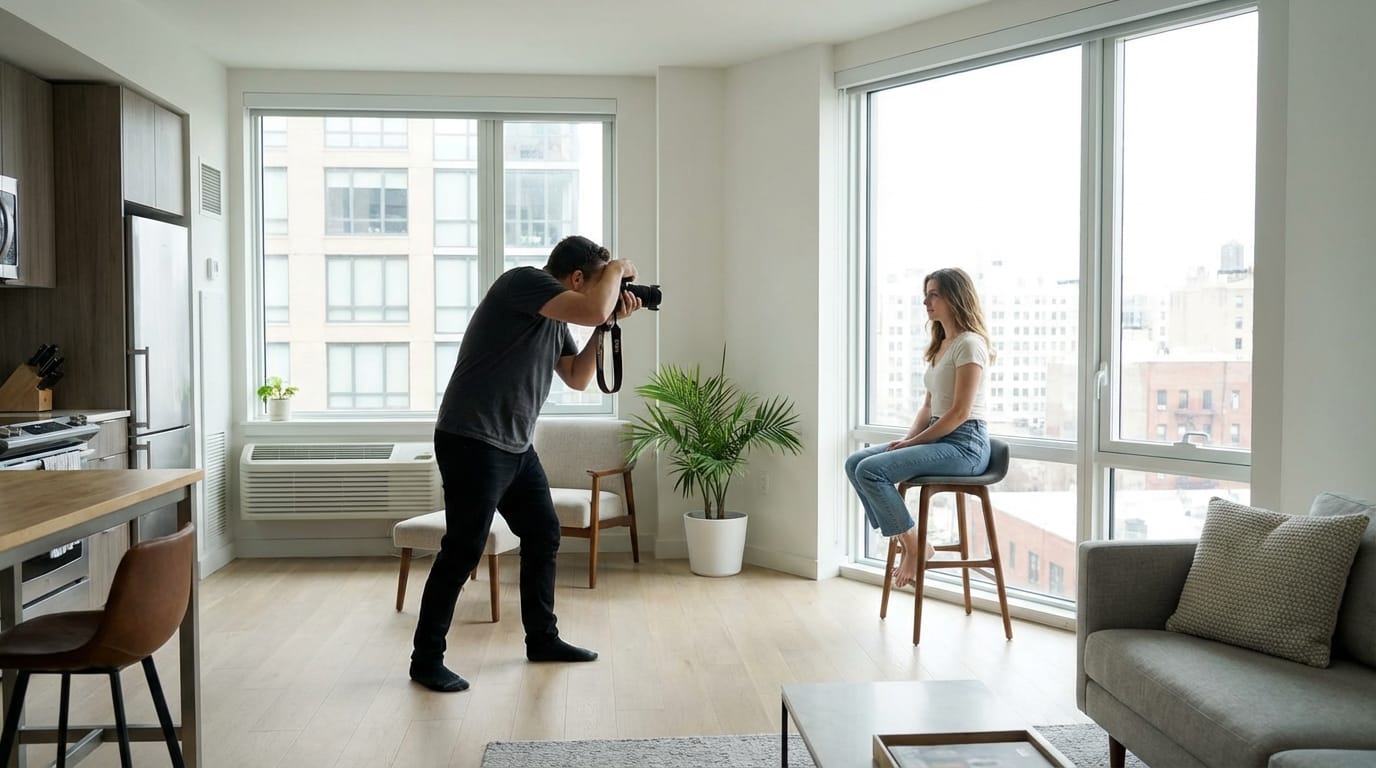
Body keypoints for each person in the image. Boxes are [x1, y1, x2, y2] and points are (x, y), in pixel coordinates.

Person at [410, 235, 642, 693]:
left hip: (515, 446)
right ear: (577, 278)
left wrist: (605, 324)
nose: (604, 289)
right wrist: (617, 270)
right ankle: (425, 660)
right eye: (597, 281)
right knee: (463, 549)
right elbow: (593, 306)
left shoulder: (558, 317)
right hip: (471, 439)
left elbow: (577, 378)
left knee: (543, 533)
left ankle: (542, 639)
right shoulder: (523, 283)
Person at [844, 267, 994, 591]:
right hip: (940, 437)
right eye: (925, 294)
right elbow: (928, 408)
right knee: (855, 463)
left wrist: (915, 444)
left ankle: (912, 547)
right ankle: (913, 543)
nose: (925, 301)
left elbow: (959, 413)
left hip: (966, 445)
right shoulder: (941, 346)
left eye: (933, 294)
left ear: (955, 297)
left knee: (871, 471)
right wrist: (908, 440)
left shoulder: (970, 344)